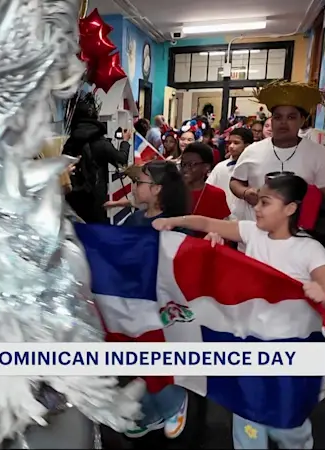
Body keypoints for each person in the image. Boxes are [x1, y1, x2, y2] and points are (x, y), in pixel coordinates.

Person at [152, 174, 325, 450]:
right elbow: (206, 223)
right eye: (258, 201)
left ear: (290, 209)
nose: (257, 208)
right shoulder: (252, 233)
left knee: (287, 424)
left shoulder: (309, 250)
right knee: (247, 413)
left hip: (290, 352)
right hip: (251, 343)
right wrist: (174, 222)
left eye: (265, 202)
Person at [116, 161, 192, 439]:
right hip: (136, 303)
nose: (135, 187)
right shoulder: (135, 218)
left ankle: (173, 403)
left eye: (140, 182)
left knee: (156, 359)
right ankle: (151, 412)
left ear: (157, 189)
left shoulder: (176, 226)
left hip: (162, 308)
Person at [229, 81, 325, 223]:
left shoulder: (318, 153)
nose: (283, 122)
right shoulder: (252, 151)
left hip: (299, 234)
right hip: (254, 232)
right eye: (278, 117)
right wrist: (245, 193)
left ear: (302, 121)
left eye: (291, 117)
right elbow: (235, 181)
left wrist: (306, 196)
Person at [63, 91, 130, 223]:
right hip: (95, 198)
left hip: (74, 198)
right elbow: (121, 160)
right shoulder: (101, 142)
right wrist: (125, 142)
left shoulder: (70, 142)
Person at [208, 127, 254, 214]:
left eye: (236, 143)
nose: (231, 146)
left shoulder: (254, 168)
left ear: (247, 145)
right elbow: (209, 189)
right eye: (229, 143)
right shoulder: (221, 167)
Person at [181, 142, 230, 221]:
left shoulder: (216, 194)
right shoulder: (174, 191)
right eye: (183, 164)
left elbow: (224, 226)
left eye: (191, 164)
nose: (185, 169)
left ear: (206, 167)